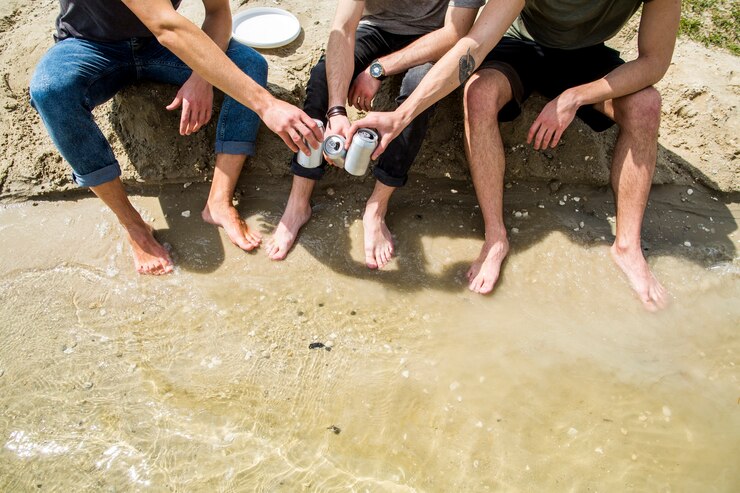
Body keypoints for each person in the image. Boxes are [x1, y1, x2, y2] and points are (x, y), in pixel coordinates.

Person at [349, 0, 680, 310]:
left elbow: (654, 62)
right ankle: (496, 237)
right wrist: (402, 114)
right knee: (479, 93)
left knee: (646, 106)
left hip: (586, 56)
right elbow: (473, 45)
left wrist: (575, 97)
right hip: (520, 43)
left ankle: (627, 246)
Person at [30, 0, 322, 275]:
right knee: (50, 91)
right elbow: (166, 25)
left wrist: (200, 76)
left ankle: (219, 201)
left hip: (156, 46)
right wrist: (267, 105)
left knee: (249, 64)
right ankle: (133, 225)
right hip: (88, 45)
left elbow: (218, 15)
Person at [265, 0, 482, 268]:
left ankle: (376, 209)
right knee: (322, 78)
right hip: (376, 28)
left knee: (417, 93)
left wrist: (378, 69)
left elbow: (455, 33)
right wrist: (336, 112)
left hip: (433, 36)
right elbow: (343, 29)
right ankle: (298, 202)